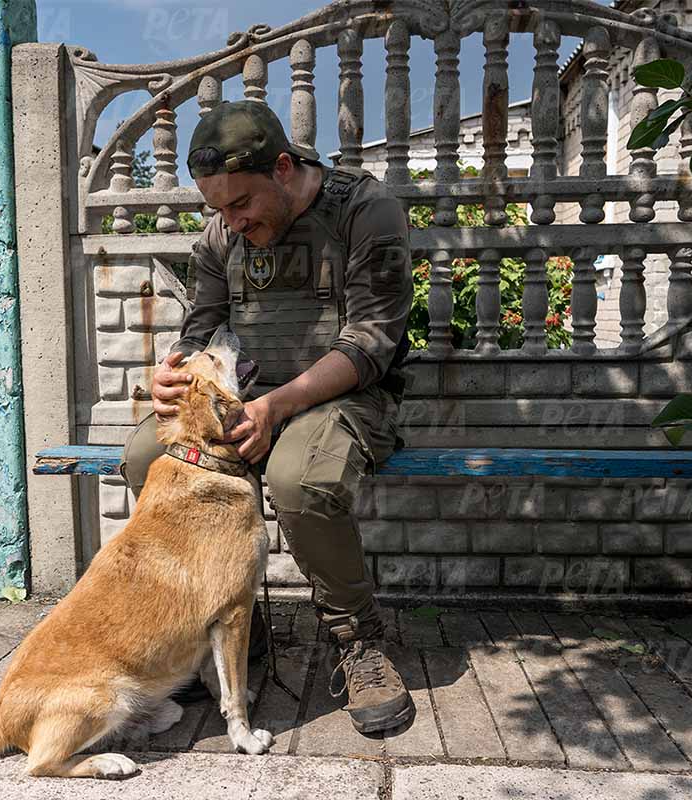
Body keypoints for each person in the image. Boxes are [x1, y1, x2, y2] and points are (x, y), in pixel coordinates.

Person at [119, 99, 414, 734]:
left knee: (298, 477)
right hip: (244, 397)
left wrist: (277, 407)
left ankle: (357, 641)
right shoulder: (223, 233)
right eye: (218, 209)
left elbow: (372, 343)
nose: (230, 221)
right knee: (146, 456)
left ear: (283, 168)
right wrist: (174, 369)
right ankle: (226, 630)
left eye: (240, 204)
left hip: (346, 396)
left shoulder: (367, 211)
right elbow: (201, 327)